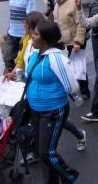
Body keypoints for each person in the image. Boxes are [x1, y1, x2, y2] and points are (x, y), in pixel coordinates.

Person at [22, 20, 79, 183]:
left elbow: (72, 87)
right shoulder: (34, 54)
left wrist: (48, 92)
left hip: (53, 111)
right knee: (41, 152)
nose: (32, 36)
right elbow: (29, 76)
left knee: (48, 152)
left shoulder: (56, 59)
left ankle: (69, 175)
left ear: (45, 38)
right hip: (35, 110)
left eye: (36, 34)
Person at [50, 0, 90, 100]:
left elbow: (81, 24)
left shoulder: (74, 4)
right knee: (66, 68)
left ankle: (84, 91)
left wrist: (78, 42)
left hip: (75, 41)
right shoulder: (57, 5)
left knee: (79, 69)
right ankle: (71, 90)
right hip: (62, 42)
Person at [4, 0, 37, 71]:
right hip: (11, 33)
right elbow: (12, 16)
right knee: (7, 57)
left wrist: (26, 35)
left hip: (23, 35)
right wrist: (8, 30)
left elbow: (31, 18)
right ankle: (10, 77)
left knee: (22, 59)